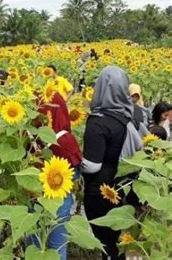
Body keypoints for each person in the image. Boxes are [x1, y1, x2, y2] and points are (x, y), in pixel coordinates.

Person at [81, 66, 142, 260]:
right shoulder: (129, 115)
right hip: (123, 189)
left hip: (101, 192)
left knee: (105, 245)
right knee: (116, 243)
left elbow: (92, 165)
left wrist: (73, 161)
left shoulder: (98, 122)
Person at [35, 91, 82, 260]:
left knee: (34, 245)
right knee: (57, 246)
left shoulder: (29, 137)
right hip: (59, 201)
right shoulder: (66, 140)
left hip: (34, 202)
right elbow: (75, 174)